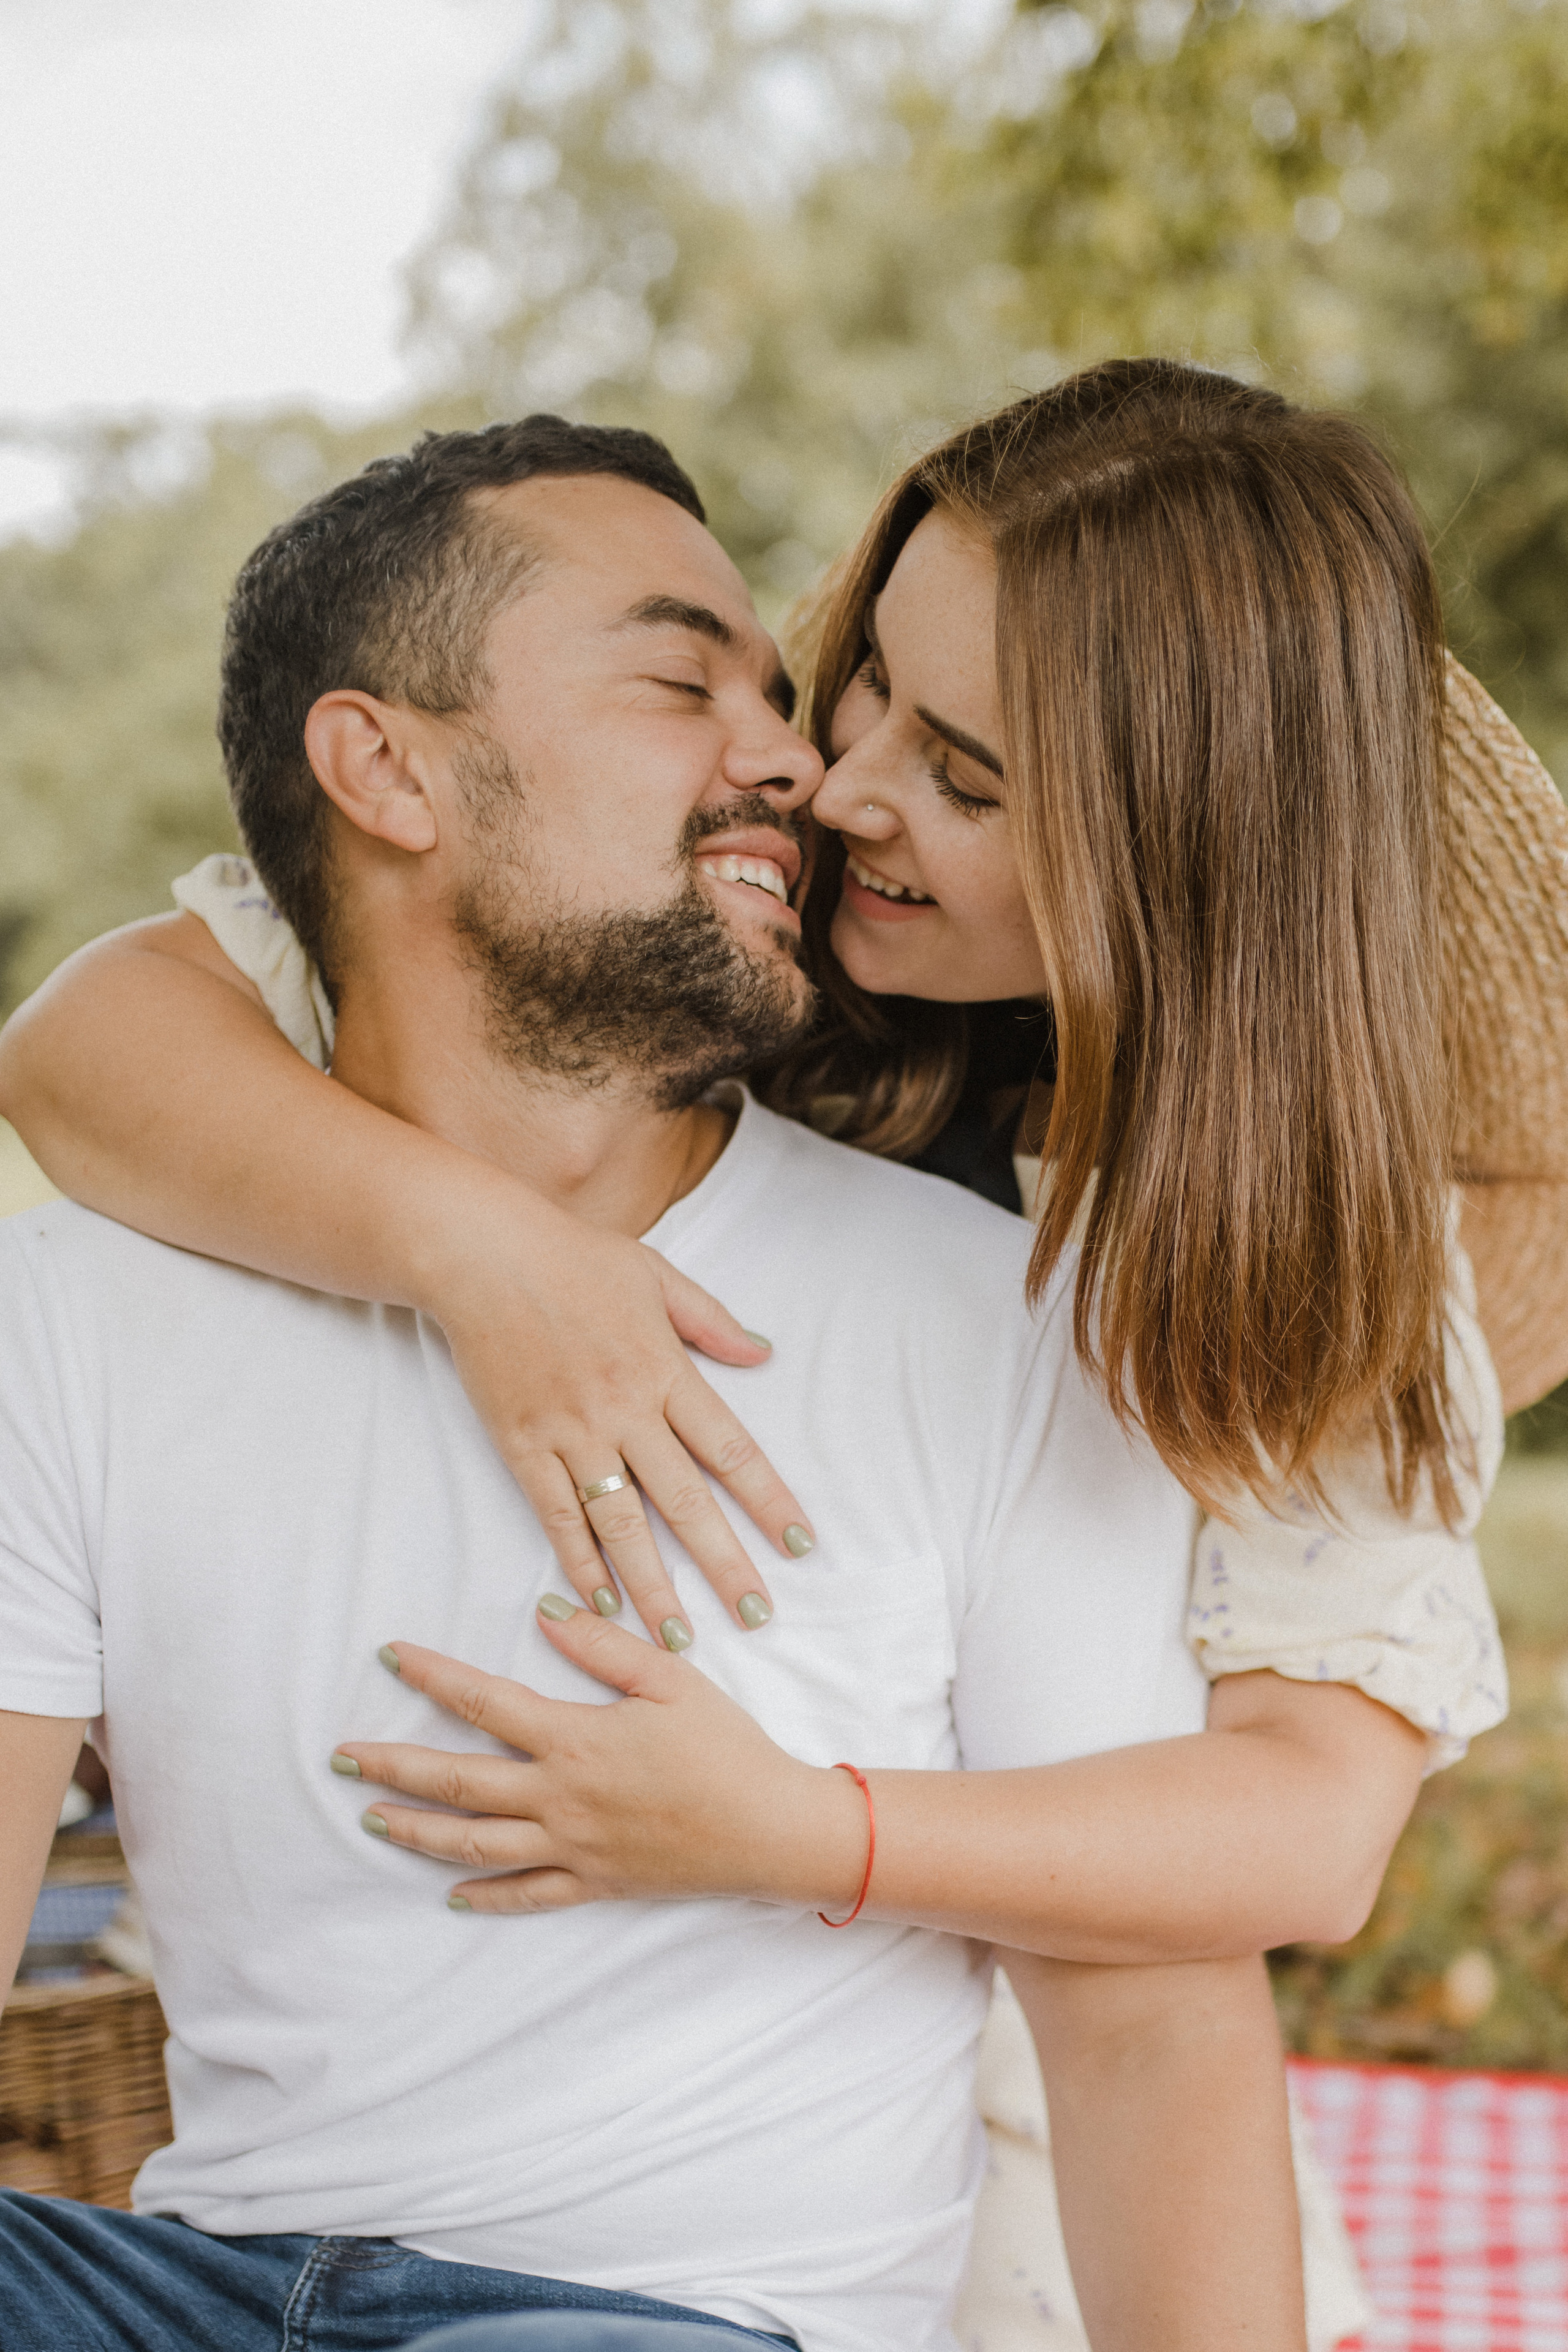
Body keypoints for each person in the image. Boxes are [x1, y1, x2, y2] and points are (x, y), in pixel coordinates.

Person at [0, 417, 1309, 2352]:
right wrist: (480, 1251)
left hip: (650, 2317)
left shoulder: (992, 1315)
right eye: (683, 679)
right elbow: (72, 1032)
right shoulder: (80, 1291)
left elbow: (1150, 2031)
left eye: (789, 700)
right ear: (383, 767)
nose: (797, 763)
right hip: (177, 2285)